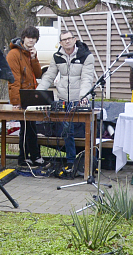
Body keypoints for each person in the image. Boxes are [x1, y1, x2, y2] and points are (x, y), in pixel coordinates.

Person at [36, 30, 96, 176]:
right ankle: (70, 161)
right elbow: (49, 76)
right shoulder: (57, 57)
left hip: (79, 99)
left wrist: (84, 97)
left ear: (74, 40)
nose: (67, 41)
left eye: (70, 38)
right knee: (66, 131)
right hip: (63, 99)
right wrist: (36, 93)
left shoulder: (86, 56)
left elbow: (87, 78)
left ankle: (86, 162)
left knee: (84, 131)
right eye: (64, 40)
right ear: (61, 43)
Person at [6, 26, 44, 167]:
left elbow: (38, 74)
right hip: (22, 97)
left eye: (34, 38)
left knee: (31, 127)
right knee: (26, 128)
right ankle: (25, 157)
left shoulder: (30, 53)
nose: (31, 41)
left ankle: (31, 156)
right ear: (23, 38)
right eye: (29, 37)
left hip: (31, 96)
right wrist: (16, 101)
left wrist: (34, 58)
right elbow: (13, 79)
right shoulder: (14, 54)